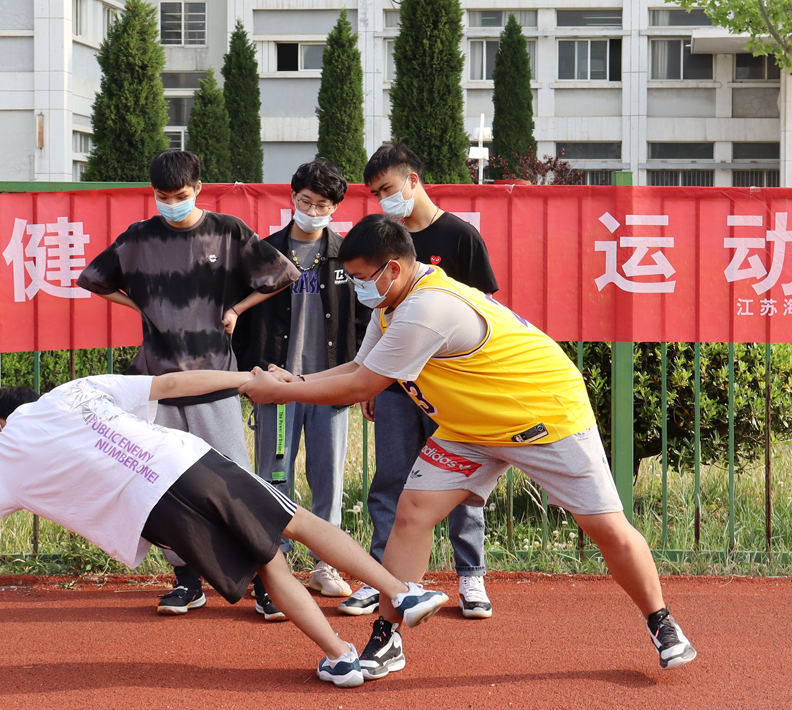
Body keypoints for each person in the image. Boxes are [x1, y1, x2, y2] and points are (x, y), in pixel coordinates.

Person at [240, 214, 697, 680]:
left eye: (361, 279)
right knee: (413, 512)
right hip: (469, 428)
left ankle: (661, 622)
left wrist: (283, 391)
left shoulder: (427, 308)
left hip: (544, 419)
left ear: (392, 269)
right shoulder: (392, 304)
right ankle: (386, 636)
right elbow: (360, 366)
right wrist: (296, 381)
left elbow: (361, 386)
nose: (358, 289)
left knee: (606, 529)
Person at [0, 370, 449, 688]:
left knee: (269, 564)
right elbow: (173, 385)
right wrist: (248, 383)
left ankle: (340, 658)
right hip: (188, 461)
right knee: (298, 521)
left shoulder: (3, 456)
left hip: (157, 511)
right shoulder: (74, 391)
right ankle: (401, 590)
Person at [77, 149, 299, 620]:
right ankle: (185, 580)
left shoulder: (228, 231)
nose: (171, 204)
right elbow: (93, 278)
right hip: (156, 381)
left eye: (180, 196)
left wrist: (238, 308)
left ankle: (266, 581)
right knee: (164, 483)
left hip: (214, 376)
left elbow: (283, 274)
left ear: (198, 188)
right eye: (162, 196)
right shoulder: (139, 238)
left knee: (238, 482)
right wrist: (139, 306)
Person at [340, 144, 500, 621]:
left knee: (460, 480)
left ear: (414, 180)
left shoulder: (461, 237)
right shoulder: (381, 241)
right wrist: (370, 383)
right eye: (374, 193)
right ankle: (384, 579)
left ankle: (471, 576)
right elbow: (376, 316)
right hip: (394, 387)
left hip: (451, 394)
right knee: (390, 479)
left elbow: (485, 313)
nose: (382, 199)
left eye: (387, 189)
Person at [230, 159, 370, 600]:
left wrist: (363, 379)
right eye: (305, 201)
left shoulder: (348, 257)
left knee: (327, 479)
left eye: (322, 204)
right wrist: (250, 373)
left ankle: (327, 567)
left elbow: (367, 321)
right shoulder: (265, 254)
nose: (312, 209)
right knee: (275, 478)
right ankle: (276, 567)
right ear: (292, 198)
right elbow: (240, 319)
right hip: (278, 391)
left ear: (335, 207)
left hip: (331, 388)